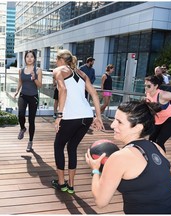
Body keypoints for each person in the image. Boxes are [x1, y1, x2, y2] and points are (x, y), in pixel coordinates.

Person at [85, 100, 171, 214]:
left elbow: (100, 201)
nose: (113, 125)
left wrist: (95, 169)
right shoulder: (157, 147)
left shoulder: (119, 157)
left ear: (138, 128)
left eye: (119, 122)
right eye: (114, 119)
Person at [51, 49, 104, 194]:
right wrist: (98, 117)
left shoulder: (58, 70)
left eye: (56, 59)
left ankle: (61, 183)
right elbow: (94, 94)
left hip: (70, 116)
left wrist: (59, 115)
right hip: (86, 116)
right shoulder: (82, 73)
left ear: (60, 59)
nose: (55, 62)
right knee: (72, 147)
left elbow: (63, 90)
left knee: (59, 146)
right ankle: (71, 185)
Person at [14, 50, 43, 152]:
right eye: (27, 56)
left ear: (34, 58)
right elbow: (20, 81)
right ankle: (22, 128)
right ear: (25, 58)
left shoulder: (38, 70)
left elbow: (40, 85)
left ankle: (30, 142)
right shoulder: (21, 70)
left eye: (31, 56)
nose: (29, 58)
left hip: (33, 97)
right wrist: (17, 91)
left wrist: (34, 78)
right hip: (23, 95)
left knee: (31, 121)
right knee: (21, 114)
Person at [145, 74, 171, 152]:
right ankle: (153, 158)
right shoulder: (148, 93)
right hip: (158, 120)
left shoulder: (163, 95)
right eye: (145, 85)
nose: (146, 88)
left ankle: (163, 162)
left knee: (159, 142)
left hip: (170, 120)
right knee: (151, 140)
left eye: (149, 86)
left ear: (156, 86)